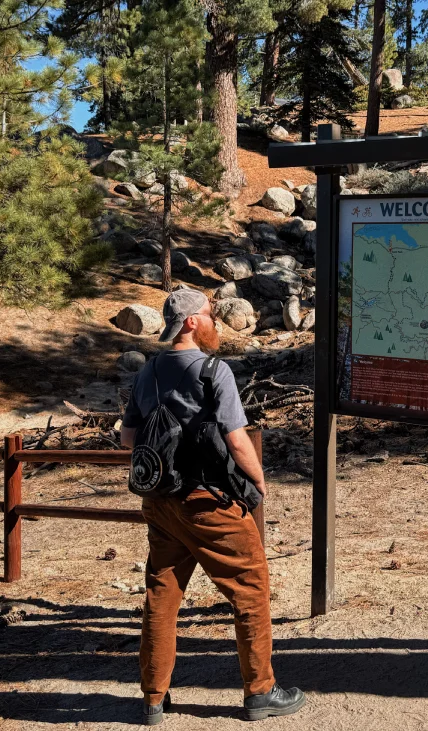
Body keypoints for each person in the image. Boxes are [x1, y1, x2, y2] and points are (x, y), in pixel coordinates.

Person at [120, 288, 306, 725]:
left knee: (161, 596)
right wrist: (259, 481)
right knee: (250, 588)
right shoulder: (212, 370)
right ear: (190, 322)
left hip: (161, 502)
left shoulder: (148, 371)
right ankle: (261, 691)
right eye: (210, 315)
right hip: (210, 503)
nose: (216, 322)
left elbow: (128, 439)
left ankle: (153, 698)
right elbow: (236, 437)